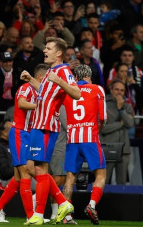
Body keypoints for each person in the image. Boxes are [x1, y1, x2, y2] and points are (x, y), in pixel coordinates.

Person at [20, 37, 80, 224]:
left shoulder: (63, 71)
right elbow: (44, 94)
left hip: (46, 126)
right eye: (45, 47)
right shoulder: (50, 72)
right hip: (38, 125)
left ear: (59, 53)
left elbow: (76, 93)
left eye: (48, 48)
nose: (44, 50)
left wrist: (60, 82)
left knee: (39, 168)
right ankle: (62, 202)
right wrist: (31, 80)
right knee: (32, 168)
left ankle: (39, 214)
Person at [0, 63, 48, 223]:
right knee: (25, 173)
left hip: (30, 134)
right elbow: (21, 103)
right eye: (47, 78)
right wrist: (39, 106)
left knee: (17, 177)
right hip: (20, 133)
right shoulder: (26, 88)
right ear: (40, 77)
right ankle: (31, 216)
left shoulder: (41, 93)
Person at [62, 65, 106, 225]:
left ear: (75, 77)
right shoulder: (96, 89)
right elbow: (103, 117)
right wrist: (96, 130)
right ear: (88, 77)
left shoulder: (68, 90)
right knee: (100, 174)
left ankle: (66, 216)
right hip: (90, 137)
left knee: (70, 177)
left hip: (72, 138)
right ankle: (92, 204)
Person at [101, 80, 135, 185]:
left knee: (122, 182)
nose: (119, 92)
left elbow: (130, 124)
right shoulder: (103, 104)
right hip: (108, 147)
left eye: (122, 90)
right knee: (104, 181)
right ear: (111, 90)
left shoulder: (127, 106)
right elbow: (102, 128)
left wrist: (121, 110)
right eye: (116, 89)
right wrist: (120, 124)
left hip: (124, 150)